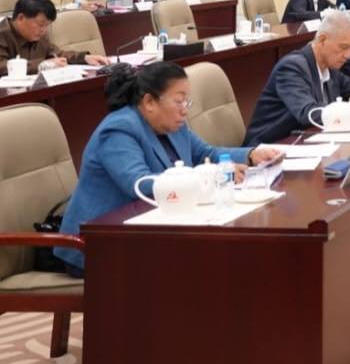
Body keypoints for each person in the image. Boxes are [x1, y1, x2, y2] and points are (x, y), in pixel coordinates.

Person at [53, 62, 285, 274]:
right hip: (99, 246)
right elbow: (140, 185)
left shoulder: (173, 125)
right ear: (149, 102)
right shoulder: (119, 130)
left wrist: (251, 155)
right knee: (202, 265)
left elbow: (205, 154)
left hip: (150, 234)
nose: (185, 109)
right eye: (179, 101)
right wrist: (209, 176)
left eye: (187, 101)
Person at [244, 11, 350, 144]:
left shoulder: (331, 67)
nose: (348, 56)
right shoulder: (292, 67)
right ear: (322, 40)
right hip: (270, 147)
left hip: (307, 142)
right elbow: (308, 113)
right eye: (343, 47)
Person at [0, 0, 110, 72]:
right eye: (41, 24)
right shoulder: (3, 33)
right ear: (21, 18)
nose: (44, 30)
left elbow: (56, 54)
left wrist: (84, 58)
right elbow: (2, 66)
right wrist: (42, 65)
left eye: (47, 25)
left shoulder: (39, 34)